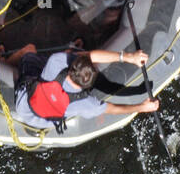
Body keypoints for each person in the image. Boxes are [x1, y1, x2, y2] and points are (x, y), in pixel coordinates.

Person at [13, 47, 160, 131]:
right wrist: (142, 107)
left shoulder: (56, 61)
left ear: (72, 67)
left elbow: (88, 56)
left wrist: (128, 57)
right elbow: (114, 109)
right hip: (44, 121)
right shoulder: (87, 104)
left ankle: (4, 58)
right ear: (87, 86)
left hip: (23, 105)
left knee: (29, 51)